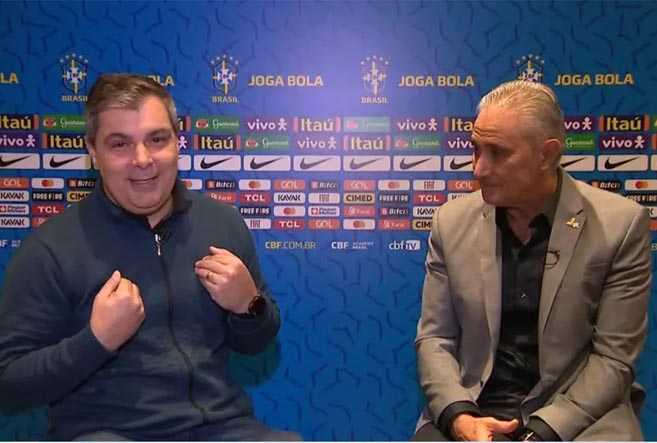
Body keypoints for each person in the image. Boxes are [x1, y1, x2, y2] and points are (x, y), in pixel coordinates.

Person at [0, 74, 301, 441]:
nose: (142, 159)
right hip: (106, 434)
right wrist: (97, 341)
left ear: (178, 142)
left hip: (222, 428)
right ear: (93, 151)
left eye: (157, 139)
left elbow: (256, 343)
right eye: (120, 144)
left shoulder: (222, 223)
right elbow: (9, 386)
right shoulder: (50, 249)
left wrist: (249, 306)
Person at [413, 80, 651, 441]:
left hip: (579, 415)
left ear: (546, 154)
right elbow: (435, 338)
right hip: (475, 404)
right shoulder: (451, 222)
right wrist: (459, 416)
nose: (478, 169)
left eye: (498, 153)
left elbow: (614, 359)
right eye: (476, 149)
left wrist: (541, 433)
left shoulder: (620, 225)